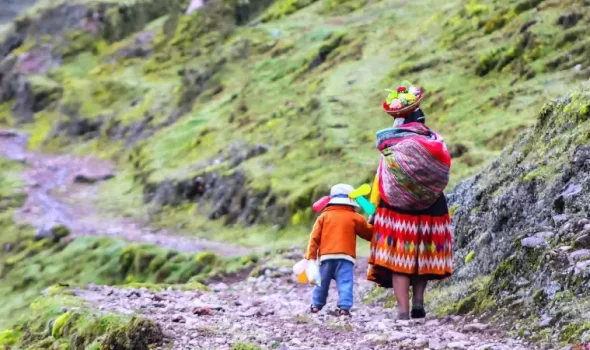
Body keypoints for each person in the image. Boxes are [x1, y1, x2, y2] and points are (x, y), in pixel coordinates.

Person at [367, 103, 453, 320]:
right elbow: (442, 173)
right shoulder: (434, 141)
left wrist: (372, 210)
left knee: (400, 262)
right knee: (422, 258)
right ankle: (418, 303)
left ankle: (403, 312)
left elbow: (381, 179)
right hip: (432, 208)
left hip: (396, 211)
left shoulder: (392, 145)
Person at [305, 184, 373, 316]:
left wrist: (311, 256)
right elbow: (369, 234)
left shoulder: (324, 217)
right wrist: (376, 225)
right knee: (345, 282)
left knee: (321, 282)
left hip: (326, 257)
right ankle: (344, 307)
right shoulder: (355, 217)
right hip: (345, 258)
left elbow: (314, 238)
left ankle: (316, 305)